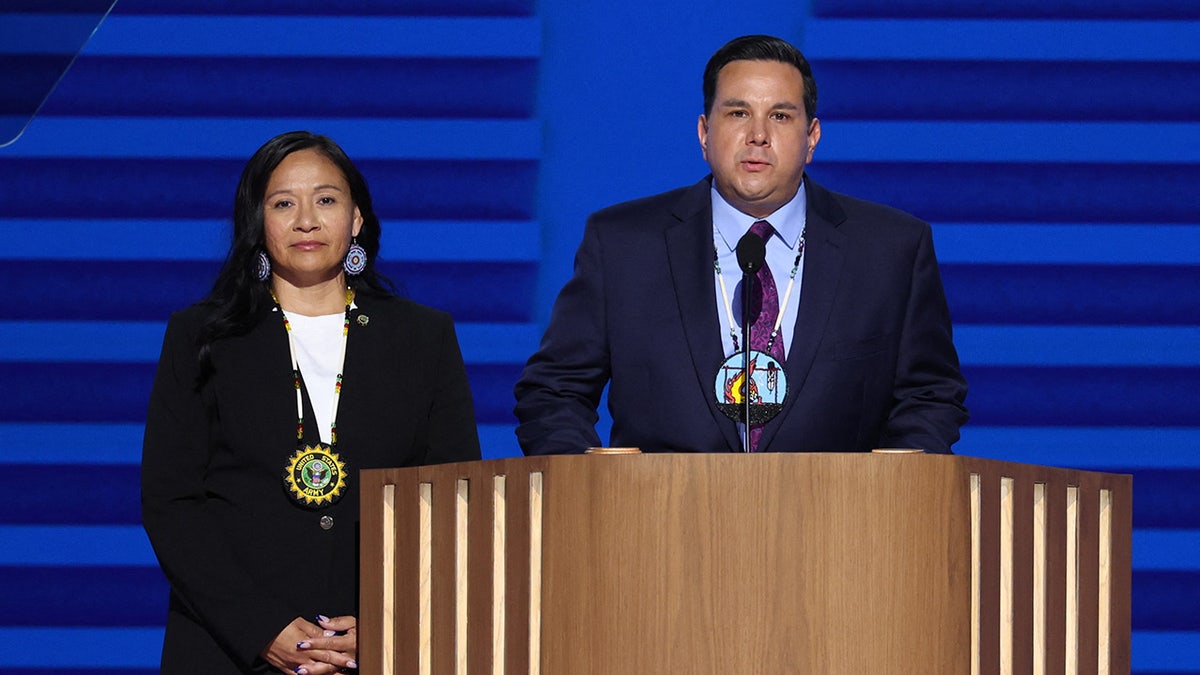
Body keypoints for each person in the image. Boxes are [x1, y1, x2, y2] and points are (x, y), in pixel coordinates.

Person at [514, 35, 968, 455]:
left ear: (811, 138)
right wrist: (592, 492)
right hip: (656, 528)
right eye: (737, 113)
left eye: (780, 115)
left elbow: (930, 396)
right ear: (704, 133)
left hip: (838, 528)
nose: (758, 135)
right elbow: (555, 392)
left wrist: (889, 496)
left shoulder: (890, 249)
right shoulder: (623, 246)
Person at [142, 131, 481, 673]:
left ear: (356, 221)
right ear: (257, 223)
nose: (306, 220)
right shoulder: (201, 336)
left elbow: (454, 499)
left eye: (326, 200)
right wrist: (260, 628)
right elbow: (171, 503)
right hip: (228, 648)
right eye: (283, 203)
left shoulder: (422, 337)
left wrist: (392, 621)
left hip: (380, 648)